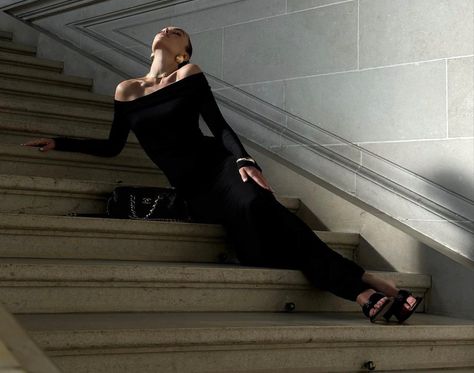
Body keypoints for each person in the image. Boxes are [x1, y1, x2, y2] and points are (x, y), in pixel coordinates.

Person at [22, 26, 422, 323]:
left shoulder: (188, 75)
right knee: (264, 245)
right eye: (164, 29)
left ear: (183, 53)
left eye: (178, 34)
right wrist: (61, 142)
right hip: (193, 187)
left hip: (220, 167)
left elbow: (221, 126)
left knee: (258, 205)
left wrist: (246, 161)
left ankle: (363, 297)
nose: (167, 31)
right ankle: (373, 283)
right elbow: (112, 146)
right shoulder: (126, 91)